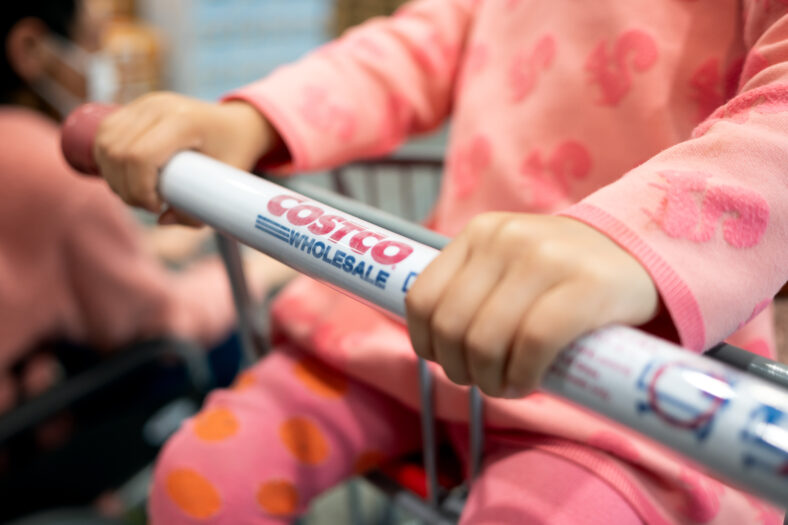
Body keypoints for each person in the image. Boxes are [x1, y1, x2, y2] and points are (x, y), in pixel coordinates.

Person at [91, 0, 787, 523]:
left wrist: (632, 237)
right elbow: (411, 47)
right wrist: (250, 120)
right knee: (199, 474)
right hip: (414, 319)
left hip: (639, 380)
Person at [0, 0, 291, 414]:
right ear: (30, 50)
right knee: (219, 345)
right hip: (24, 432)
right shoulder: (56, 171)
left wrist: (146, 247)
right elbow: (160, 321)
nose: (104, 56)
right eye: (93, 37)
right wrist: (251, 273)